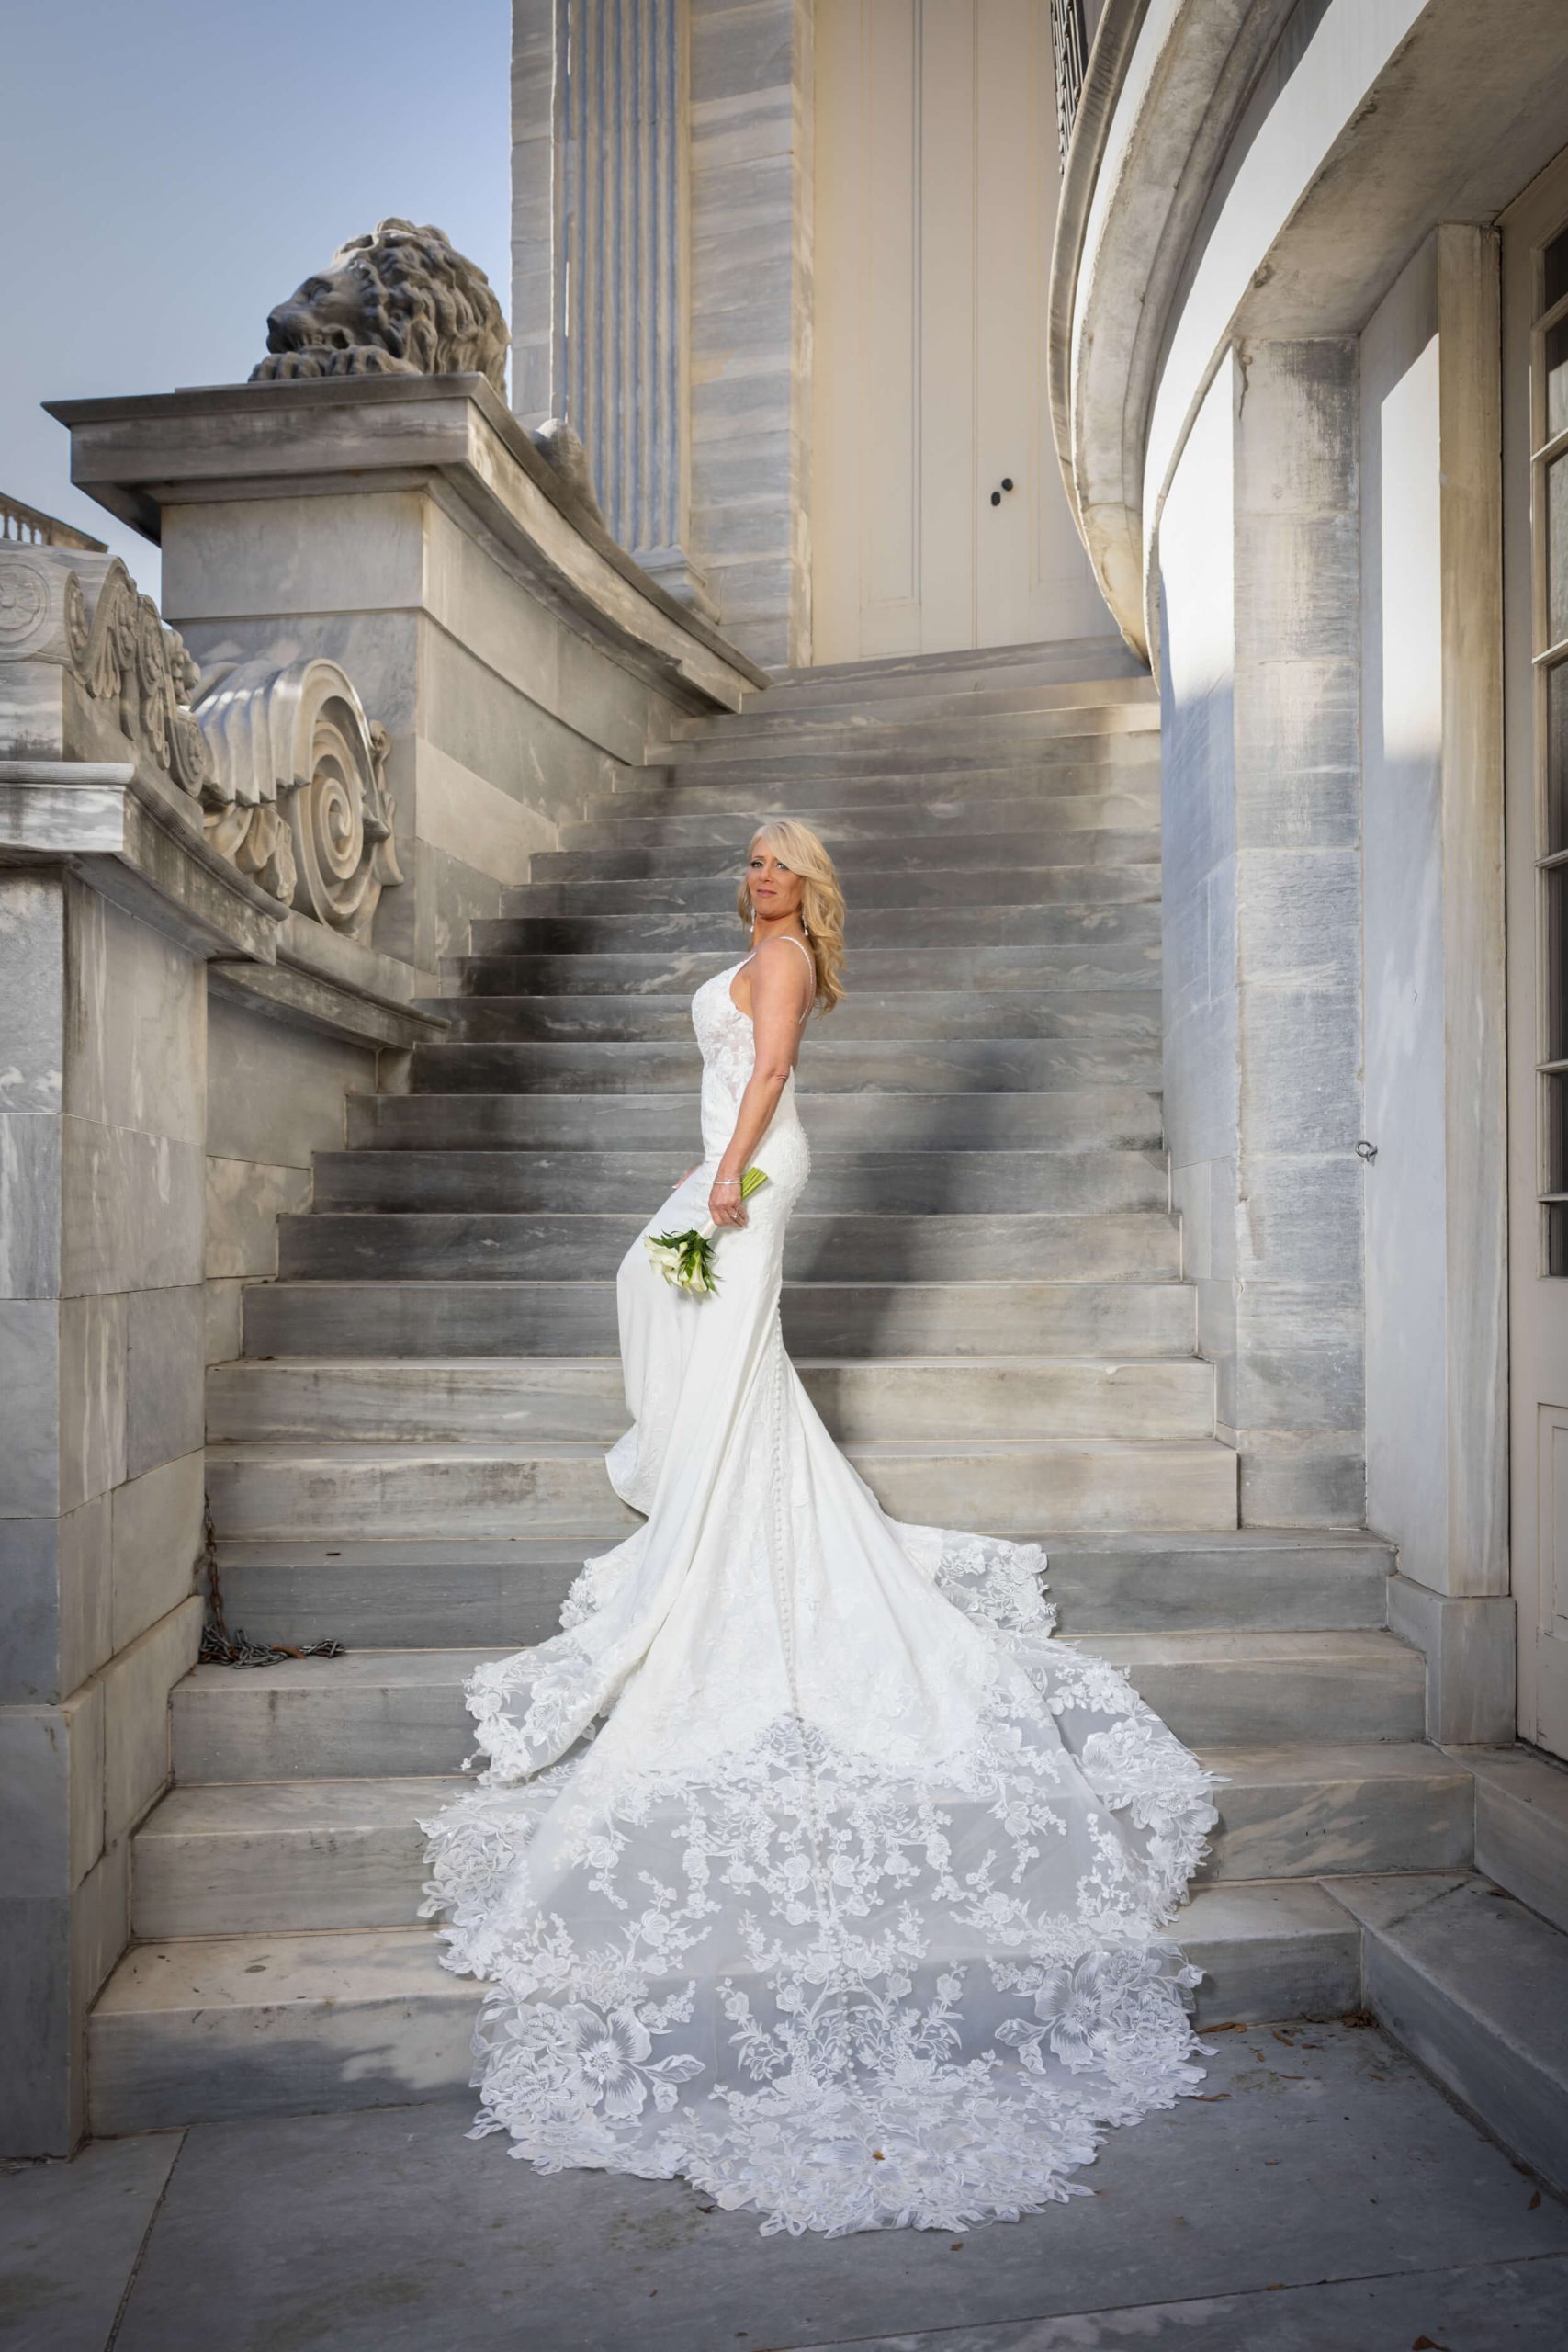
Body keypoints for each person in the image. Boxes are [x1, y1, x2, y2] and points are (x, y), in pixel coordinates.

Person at [423, 817, 1220, 2238]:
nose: (757, 879)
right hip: (729, 1163)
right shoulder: (757, 946)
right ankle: (704, 1465)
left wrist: (725, 1179)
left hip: (755, 1166)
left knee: (696, 1312)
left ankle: (719, 1491)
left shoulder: (783, 962)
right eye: (749, 862)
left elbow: (773, 1067)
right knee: (661, 1301)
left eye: (777, 864)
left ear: (807, 887)